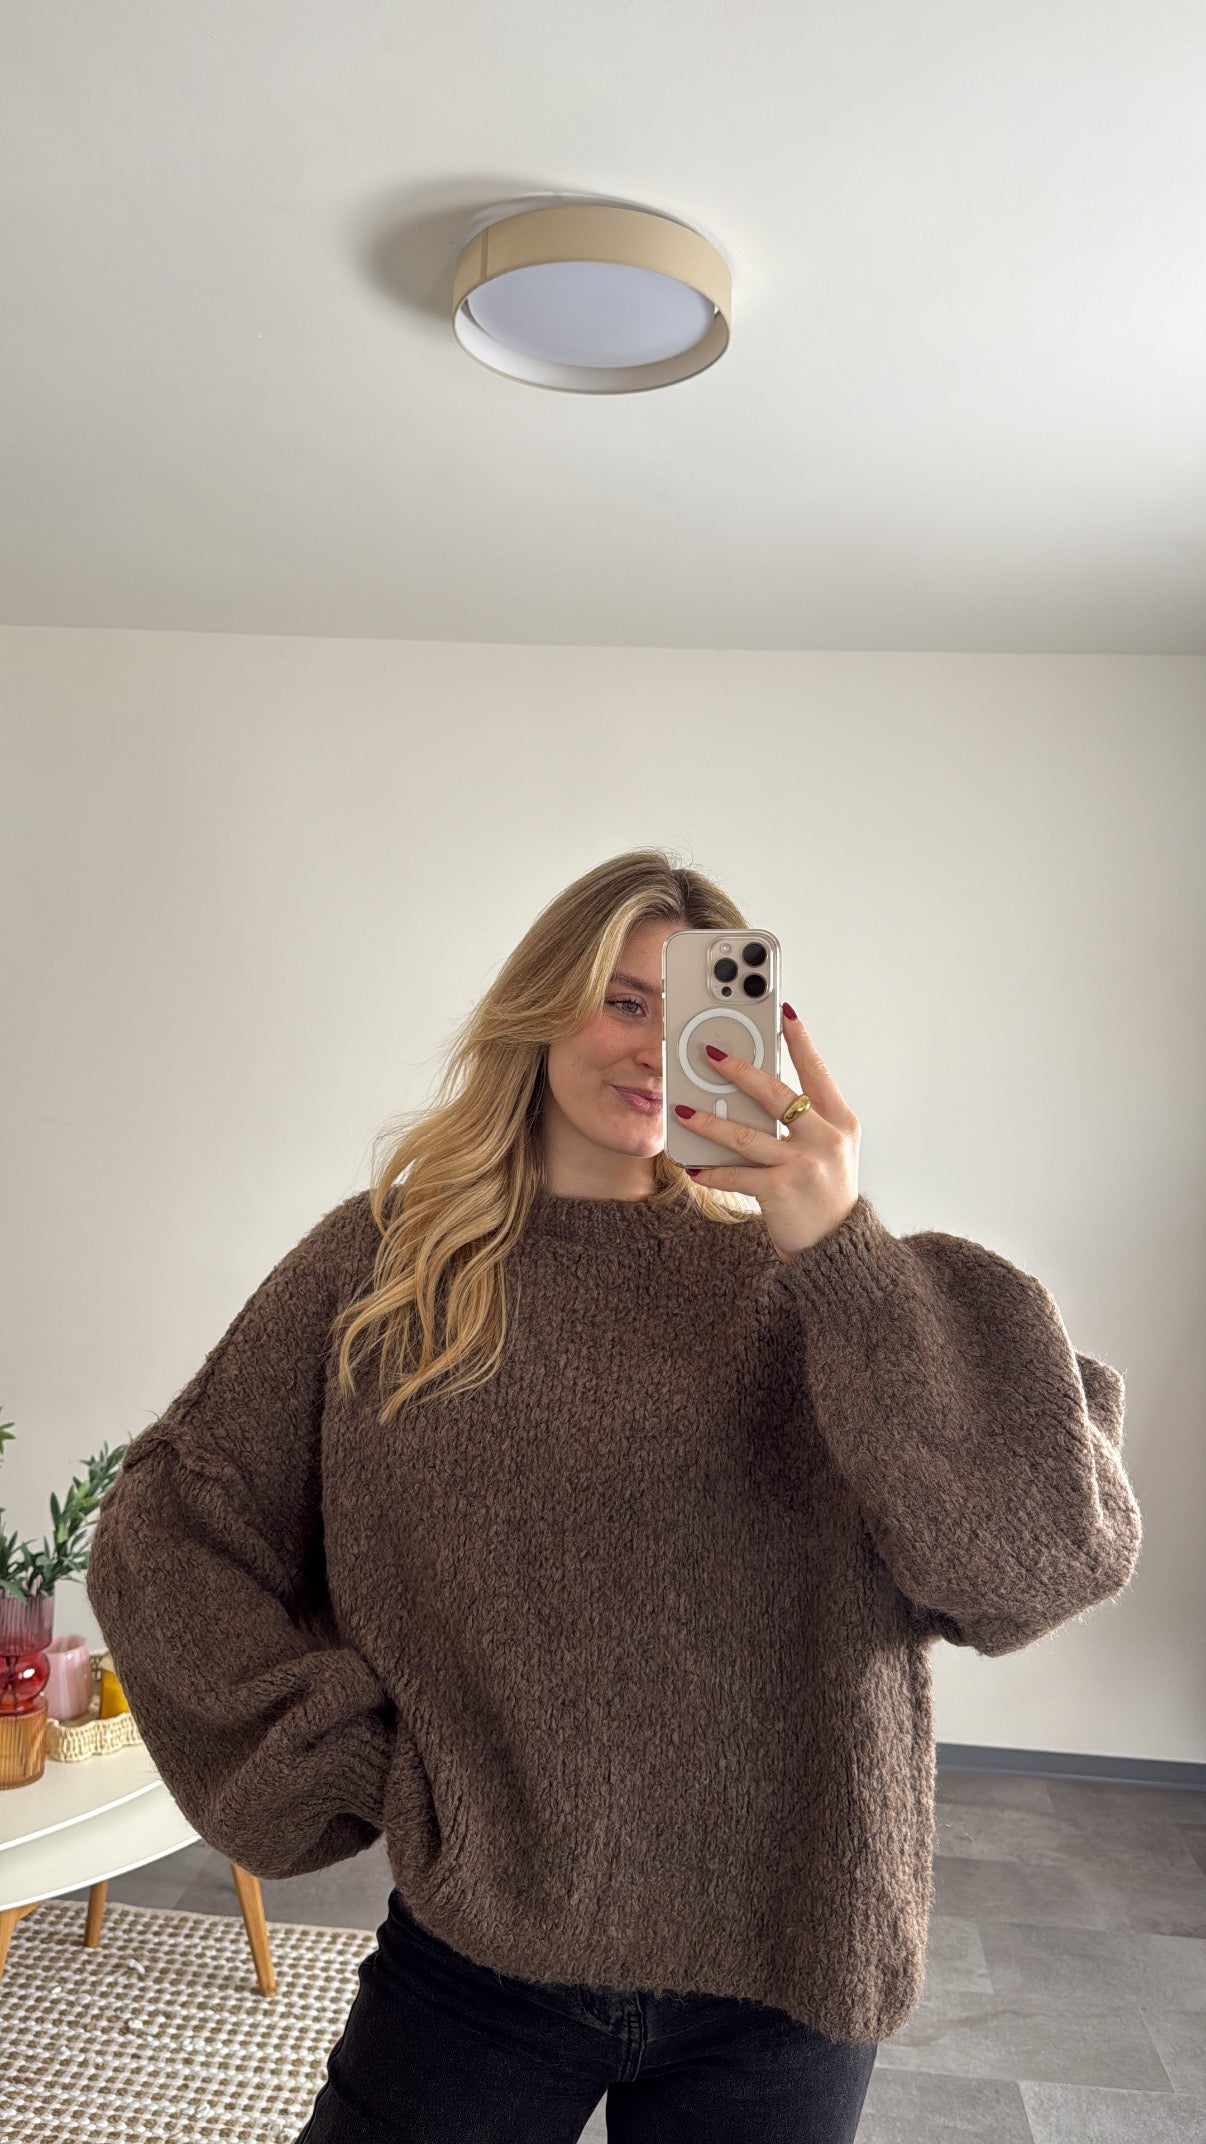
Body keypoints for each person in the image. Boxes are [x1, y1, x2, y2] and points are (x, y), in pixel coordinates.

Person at [86, 849, 1142, 2144]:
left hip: (784, 1969)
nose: (653, 1046)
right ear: (537, 1009)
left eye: (695, 1009)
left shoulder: (831, 1288)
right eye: (622, 1001)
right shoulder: (386, 1264)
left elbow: (1030, 1568)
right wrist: (345, 1761)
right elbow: (174, 1523)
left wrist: (845, 1254)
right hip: (482, 1951)